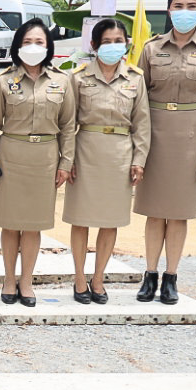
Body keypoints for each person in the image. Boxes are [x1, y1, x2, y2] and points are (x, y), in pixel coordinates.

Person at [133, 0, 196, 305]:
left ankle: (171, 277)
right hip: (154, 135)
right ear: (169, 9)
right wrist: (137, 145)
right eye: (178, 6)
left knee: (178, 212)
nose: (184, 12)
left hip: (191, 137)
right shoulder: (151, 48)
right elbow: (138, 98)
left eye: (191, 6)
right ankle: (150, 274)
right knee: (154, 211)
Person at [0, 19, 76, 307]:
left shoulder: (62, 81)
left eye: (39, 42)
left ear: (48, 47)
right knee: (10, 224)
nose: (33, 47)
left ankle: (26, 282)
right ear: (17, 46)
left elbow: (68, 126)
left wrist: (66, 163)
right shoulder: (3, 81)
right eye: (27, 42)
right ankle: (9, 280)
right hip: (11, 157)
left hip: (45, 158)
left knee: (34, 226)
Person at [63, 19, 150, 304]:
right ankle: (79, 278)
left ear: (126, 43)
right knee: (80, 219)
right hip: (85, 151)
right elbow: (67, 123)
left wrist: (139, 159)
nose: (113, 46)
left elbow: (142, 123)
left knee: (110, 221)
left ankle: (98, 279)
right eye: (107, 42)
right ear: (94, 45)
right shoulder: (78, 78)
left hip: (120, 155)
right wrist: (67, 159)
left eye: (118, 41)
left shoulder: (135, 78)